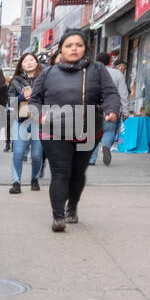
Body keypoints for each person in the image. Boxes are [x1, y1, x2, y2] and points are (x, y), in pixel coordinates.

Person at [29, 29, 120, 231]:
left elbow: (110, 94)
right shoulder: (48, 73)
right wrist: (40, 114)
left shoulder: (97, 70)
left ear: (85, 48)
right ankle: (58, 217)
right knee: (60, 172)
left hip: (87, 131)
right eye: (69, 45)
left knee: (78, 173)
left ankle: (72, 207)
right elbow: (34, 100)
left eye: (78, 45)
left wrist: (111, 110)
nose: (74, 49)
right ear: (61, 49)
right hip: (54, 131)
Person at [7, 52, 44, 193]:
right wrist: (22, 96)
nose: (29, 62)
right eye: (25, 60)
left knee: (36, 154)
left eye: (32, 60)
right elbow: (9, 102)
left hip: (39, 120)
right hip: (21, 119)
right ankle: (16, 182)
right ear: (21, 65)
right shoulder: (16, 80)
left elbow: (51, 97)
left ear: (36, 63)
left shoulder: (44, 78)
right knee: (18, 152)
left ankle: (34, 179)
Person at [90, 52, 128, 166]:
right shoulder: (117, 74)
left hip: (93, 107)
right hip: (111, 106)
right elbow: (123, 93)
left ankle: (91, 159)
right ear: (110, 61)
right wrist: (125, 110)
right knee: (109, 130)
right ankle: (106, 146)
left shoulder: (91, 73)